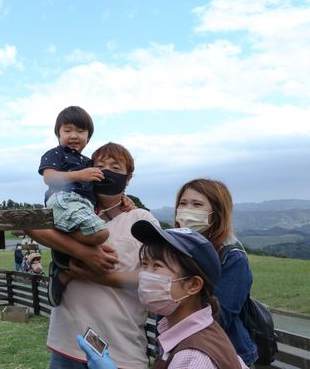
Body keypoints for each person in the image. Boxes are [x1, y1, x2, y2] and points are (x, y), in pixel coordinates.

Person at [29, 142, 160, 368]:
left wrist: (92, 274)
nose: (106, 171)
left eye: (115, 167)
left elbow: (152, 278)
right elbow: (30, 225)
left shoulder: (142, 220)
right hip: (68, 344)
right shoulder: (74, 211)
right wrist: (84, 253)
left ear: (128, 178)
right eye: (100, 165)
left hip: (122, 349)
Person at [76, 220, 249, 369]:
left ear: (193, 285)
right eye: (144, 264)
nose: (144, 276)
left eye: (157, 266)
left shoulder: (192, 358)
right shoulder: (197, 331)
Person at [174, 179, 258, 366]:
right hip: (182, 350)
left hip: (224, 355)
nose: (188, 209)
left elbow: (219, 316)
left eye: (197, 204)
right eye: (183, 203)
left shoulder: (232, 257)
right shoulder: (175, 248)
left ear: (216, 213)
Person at [38, 106, 107, 305]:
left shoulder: (90, 162)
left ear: (89, 136)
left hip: (83, 205)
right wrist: (79, 175)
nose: (74, 135)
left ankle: (64, 271)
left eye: (80, 131)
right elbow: (49, 178)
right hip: (63, 199)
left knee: (104, 249)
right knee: (101, 235)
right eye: (67, 131)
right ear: (58, 134)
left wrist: (125, 199)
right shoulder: (56, 153)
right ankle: (64, 263)